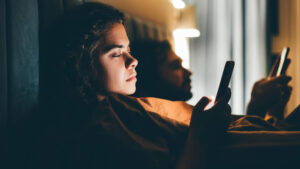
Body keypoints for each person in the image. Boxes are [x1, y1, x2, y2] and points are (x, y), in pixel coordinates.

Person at [39, 2, 231, 169]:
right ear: (81, 65)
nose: (133, 60)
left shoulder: (128, 110)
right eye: (116, 53)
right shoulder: (102, 126)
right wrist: (199, 136)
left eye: (129, 50)